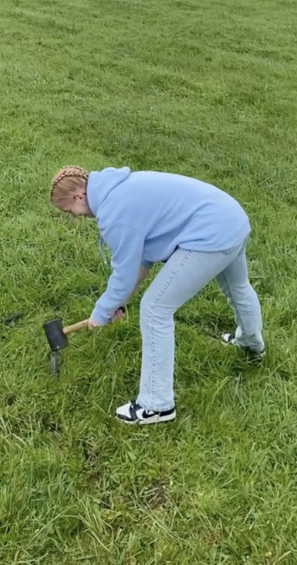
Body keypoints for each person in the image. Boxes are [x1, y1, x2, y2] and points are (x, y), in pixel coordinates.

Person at [49, 165, 265, 425]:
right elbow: (141, 258)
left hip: (210, 234)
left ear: (78, 197)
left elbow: (123, 274)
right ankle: (251, 344)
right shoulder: (116, 188)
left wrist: (101, 311)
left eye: (68, 211)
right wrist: (119, 302)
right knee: (237, 287)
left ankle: (156, 405)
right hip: (230, 218)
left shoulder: (114, 213)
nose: (74, 217)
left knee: (155, 309)